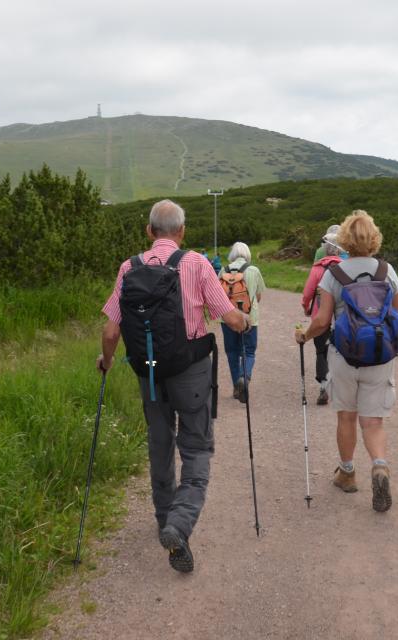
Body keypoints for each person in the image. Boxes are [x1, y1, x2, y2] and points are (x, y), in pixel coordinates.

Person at [97, 199, 248, 573]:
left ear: (150, 232)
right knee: (196, 449)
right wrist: (243, 321)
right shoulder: (195, 263)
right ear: (181, 232)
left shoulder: (128, 267)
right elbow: (228, 317)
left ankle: (164, 516)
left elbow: (111, 329)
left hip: (148, 369)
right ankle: (179, 525)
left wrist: (108, 360)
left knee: (160, 442)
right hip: (190, 370)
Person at [294, 210, 398, 513]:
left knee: (347, 416)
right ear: (373, 238)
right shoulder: (386, 271)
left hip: (344, 355)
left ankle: (347, 472)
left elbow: (322, 320)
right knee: (373, 420)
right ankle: (380, 466)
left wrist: (304, 336)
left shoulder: (334, 274)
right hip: (380, 354)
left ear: (343, 239)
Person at [300, 225, 345, 406]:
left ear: (325, 249)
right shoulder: (346, 268)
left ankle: (323, 386)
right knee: (339, 352)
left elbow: (307, 293)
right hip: (341, 318)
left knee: (321, 351)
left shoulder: (318, 268)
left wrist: (306, 308)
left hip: (320, 316)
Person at [220, 241, 267, 403]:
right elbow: (258, 297)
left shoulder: (223, 271)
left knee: (232, 352)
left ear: (232, 255)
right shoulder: (253, 270)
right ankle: (244, 378)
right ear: (247, 254)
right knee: (249, 351)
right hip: (249, 319)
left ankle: (236, 387)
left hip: (227, 319)